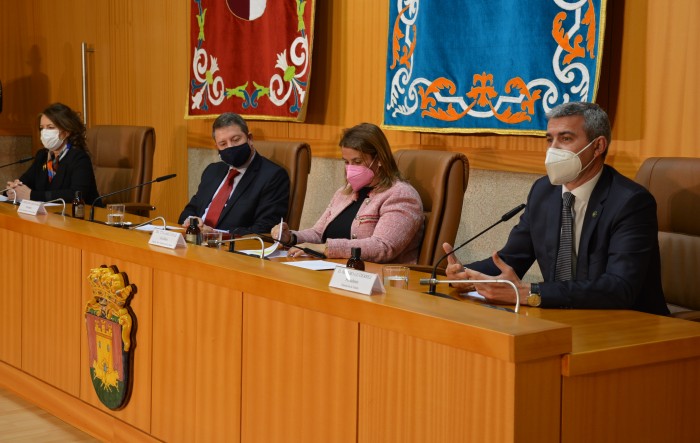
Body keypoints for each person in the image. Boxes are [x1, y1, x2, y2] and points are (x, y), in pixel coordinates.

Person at [443, 102, 669, 315]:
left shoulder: (630, 202)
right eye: (549, 140)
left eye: (566, 139)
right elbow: (512, 258)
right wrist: (466, 275)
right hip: (562, 318)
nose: (553, 149)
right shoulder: (544, 191)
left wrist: (533, 292)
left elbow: (619, 288)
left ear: (598, 146)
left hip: (628, 326)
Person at [272, 123, 424, 263]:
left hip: (375, 280)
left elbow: (382, 247)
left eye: (357, 162)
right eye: (346, 162)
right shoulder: (344, 193)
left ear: (380, 160)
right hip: (332, 271)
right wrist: (291, 237)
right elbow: (319, 234)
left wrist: (328, 248)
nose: (350, 168)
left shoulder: (400, 194)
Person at [178, 112, 289, 235]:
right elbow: (189, 211)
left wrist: (217, 235)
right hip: (195, 243)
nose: (230, 147)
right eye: (223, 144)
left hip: (231, 248)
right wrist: (191, 222)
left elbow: (265, 229)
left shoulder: (273, 176)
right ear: (217, 147)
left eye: (236, 140)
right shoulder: (212, 171)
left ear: (250, 138)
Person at [5, 103, 99, 203]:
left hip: (81, 216)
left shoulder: (79, 158)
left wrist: (32, 195)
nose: (44, 132)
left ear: (66, 132)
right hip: (50, 215)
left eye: (50, 127)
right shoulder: (42, 155)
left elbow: (76, 194)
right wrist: (13, 190)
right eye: (42, 128)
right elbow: (25, 181)